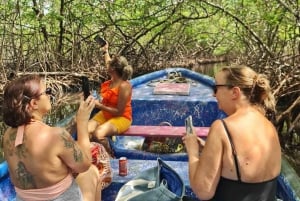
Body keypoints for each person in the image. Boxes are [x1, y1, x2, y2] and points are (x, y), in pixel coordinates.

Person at [183, 65, 281, 201]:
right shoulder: (269, 126)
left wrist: (193, 151)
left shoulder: (221, 127)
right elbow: (244, 159)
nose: (213, 94)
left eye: (216, 88)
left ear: (235, 92)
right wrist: (207, 149)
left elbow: (203, 191)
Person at [2, 74, 102, 201]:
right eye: (47, 92)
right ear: (34, 103)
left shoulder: (7, 136)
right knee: (91, 172)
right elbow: (84, 164)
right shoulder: (56, 135)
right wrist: (82, 122)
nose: (50, 94)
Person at [88, 42, 133, 154]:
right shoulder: (112, 79)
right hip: (106, 114)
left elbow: (119, 112)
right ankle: (93, 154)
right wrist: (105, 51)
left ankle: (110, 156)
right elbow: (108, 61)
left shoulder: (124, 86)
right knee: (85, 131)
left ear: (113, 69)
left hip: (122, 117)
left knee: (97, 134)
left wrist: (99, 105)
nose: (106, 66)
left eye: (109, 65)